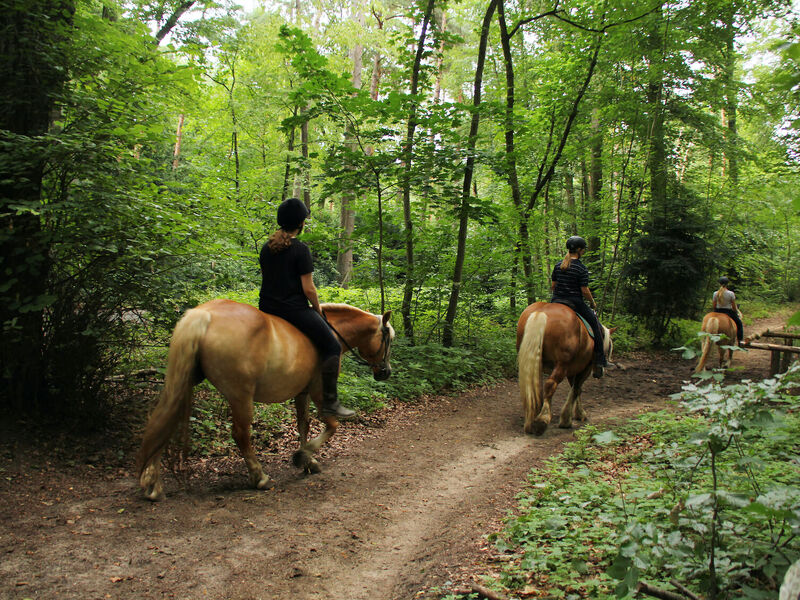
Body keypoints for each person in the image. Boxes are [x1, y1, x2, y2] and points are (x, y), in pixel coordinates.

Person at [259, 197, 355, 419]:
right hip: (293, 310)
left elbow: (267, 279)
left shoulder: (267, 248)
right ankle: (330, 402)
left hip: (266, 308)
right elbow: (308, 289)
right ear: (301, 223)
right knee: (332, 345)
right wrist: (318, 309)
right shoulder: (300, 249)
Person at [550, 235, 608, 378]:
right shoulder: (581, 268)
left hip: (556, 301)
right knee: (596, 325)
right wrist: (592, 302)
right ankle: (600, 360)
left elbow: (553, 286)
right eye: (583, 250)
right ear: (580, 250)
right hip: (574, 302)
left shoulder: (558, 265)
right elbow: (584, 290)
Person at [712, 276, 744, 344]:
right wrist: (735, 311)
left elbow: (714, 305)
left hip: (717, 311)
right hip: (728, 312)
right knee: (739, 324)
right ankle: (740, 342)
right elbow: (733, 306)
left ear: (719, 284)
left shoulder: (715, 293)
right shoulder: (731, 293)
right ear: (727, 284)